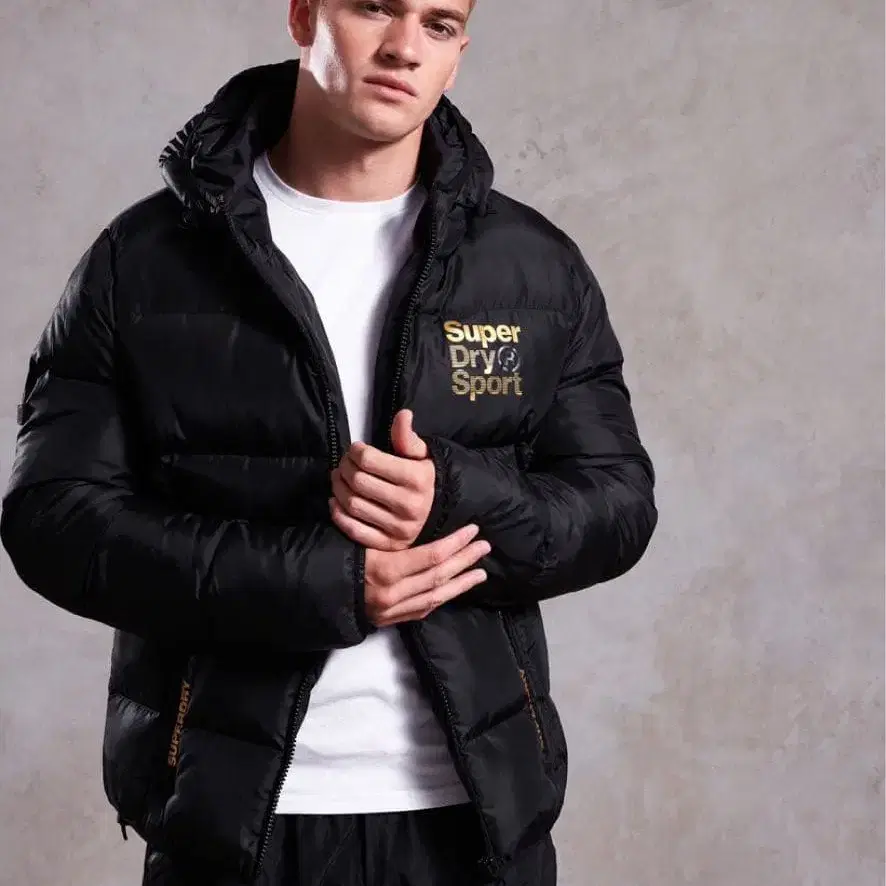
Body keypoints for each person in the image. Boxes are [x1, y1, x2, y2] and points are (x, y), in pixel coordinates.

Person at [1, 0, 658, 884]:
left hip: (472, 821)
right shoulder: (143, 261)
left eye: (438, 23)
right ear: (305, 14)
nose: (404, 47)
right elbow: (54, 520)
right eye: (375, 7)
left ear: (459, 51)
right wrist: (323, 583)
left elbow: (618, 504)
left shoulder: (534, 266)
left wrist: (456, 498)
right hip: (230, 820)